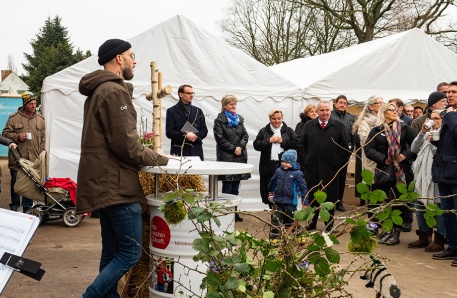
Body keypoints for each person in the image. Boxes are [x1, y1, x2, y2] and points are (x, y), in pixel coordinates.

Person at [76, 38, 169, 297]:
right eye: (131, 55)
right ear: (119, 58)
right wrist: (163, 160)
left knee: (112, 252)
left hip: (104, 184)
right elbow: (126, 145)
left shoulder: (98, 90)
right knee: (130, 253)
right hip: (117, 185)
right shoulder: (113, 92)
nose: (134, 60)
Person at [364, 102, 416, 245]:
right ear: (384, 112)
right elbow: (368, 150)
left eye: (395, 110)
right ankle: (387, 230)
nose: (395, 112)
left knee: (398, 202)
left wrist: (405, 154)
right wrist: (384, 159)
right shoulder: (376, 130)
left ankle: (396, 233)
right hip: (384, 171)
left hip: (401, 171)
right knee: (384, 202)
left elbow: (417, 144)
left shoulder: (404, 128)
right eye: (391, 110)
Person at [298, 101, 350, 232]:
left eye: (327, 110)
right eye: (322, 110)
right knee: (313, 197)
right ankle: (312, 222)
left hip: (330, 170)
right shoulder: (309, 125)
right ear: (318, 111)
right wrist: (306, 161)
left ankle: (329, 223)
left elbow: (345, 148)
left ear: (330, 111)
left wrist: (336, 163)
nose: (325, 113)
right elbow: (301, 146)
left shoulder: (338, 126)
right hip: (312, 169)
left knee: (330, 197)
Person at [408, 110, 446, 252]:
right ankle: (424, 236)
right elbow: (414, 148)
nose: (434, 121)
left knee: (438, 208)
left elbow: (441, 153)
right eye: (432, 118)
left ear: (443, 120)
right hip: (422, 176)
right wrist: (422, 132)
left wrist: (433, 142)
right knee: (419, 206)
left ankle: (440, 239)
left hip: (436, 176)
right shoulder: (428, 133)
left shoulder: (445, 134)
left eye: (437, 118)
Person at [2, 91, 45, 212]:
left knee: (30, 184)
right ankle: (15, 206)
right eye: (31, 103)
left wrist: (41, 154)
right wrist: (17, 137)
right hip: (17, 158)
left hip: (33, 159)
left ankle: (27, 207)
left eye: (35, 103)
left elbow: (43, 139)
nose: (33, 106)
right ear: (25, 104)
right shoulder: (14, 118)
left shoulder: (40, 119)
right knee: (16, 182)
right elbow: (4, 134)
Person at [213, 94, 251, 222]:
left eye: (235, 104)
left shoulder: (239, 119)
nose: (234, 106)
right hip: (227, 158)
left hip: (239, 158)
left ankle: (234, 213)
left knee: (235, 187)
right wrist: (233, 148)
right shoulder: (219, 120)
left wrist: (240, 146)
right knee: (227, 187)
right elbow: (220, 139)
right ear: (224, 106)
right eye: (231, 104)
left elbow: (245, 135)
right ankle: (226, 212)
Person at [253, 108, 298, 209]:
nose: (277, 121)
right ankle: (275, 215)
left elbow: (297, 144)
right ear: (270, 119)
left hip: (285, 167)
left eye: (279, 118)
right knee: (270, 191)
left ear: (282, 118)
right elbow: (256, 145)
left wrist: (283, 141)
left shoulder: (289, 130)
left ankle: (285, 215)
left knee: (285, 190)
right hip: (268, 166)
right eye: (274, 119)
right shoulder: (263, 131)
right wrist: (269, 140)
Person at [431, 104, 457, 266]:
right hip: (445, 172)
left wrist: (450, 116)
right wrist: (435, 142)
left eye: (454, 91)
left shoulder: (450, 116)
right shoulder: (449, 116)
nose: (450, 94)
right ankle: (453, 247)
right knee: (447, 213)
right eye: (448, 92)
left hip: (455, 173)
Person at [268, 149, 308, 239]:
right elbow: (272, 183)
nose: (284, 164)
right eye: (282, 161)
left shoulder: (298, 174)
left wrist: (305, 202)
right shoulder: (278, 171)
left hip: (290, 203)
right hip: (278, 201)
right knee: (276, 221)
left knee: (291, 220)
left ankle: (298, 236)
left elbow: (303, 189)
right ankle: (274, 238)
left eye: (287, 162)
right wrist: (270, 193)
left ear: (293, 162)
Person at [352, 96, 384, 205]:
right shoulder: (364, 122)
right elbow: (365, 139)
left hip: (384, 158)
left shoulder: (385, 119)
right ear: (371, 107)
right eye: (379, 102)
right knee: (370, 182)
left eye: (383, 102)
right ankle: (372, 213)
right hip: (371, 157)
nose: (382, 104)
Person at [166, 84, 208, 160]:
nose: (191, 95)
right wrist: (185, 135)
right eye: (188, 93)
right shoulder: (171, 111)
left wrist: (196, 136)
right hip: (179, 151)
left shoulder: (198, 111)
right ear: (181, 94)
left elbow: (204, 130)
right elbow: (169, 132)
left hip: (196, 150)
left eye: (192, 93)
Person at [331, 95, 356, 212]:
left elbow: (353, 135)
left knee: (342, 178)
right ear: (335, 104)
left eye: (345, 103)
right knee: (331, 178)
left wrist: (350, 150)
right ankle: (330, 201)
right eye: (340, 102)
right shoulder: (330, 115)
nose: (342, 105)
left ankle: (339, 201)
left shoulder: (350, 118)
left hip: (345, 152)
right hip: (331, 151)